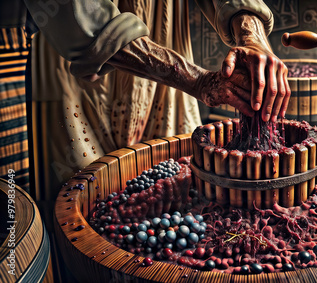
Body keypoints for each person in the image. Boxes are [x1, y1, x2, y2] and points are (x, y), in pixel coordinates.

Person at [18, 0, 291, 201]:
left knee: (179, 193)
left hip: (164, 34)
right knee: (81, 200)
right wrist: (197, 81)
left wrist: (251, 35)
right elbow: (74, 14)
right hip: (72, 54)